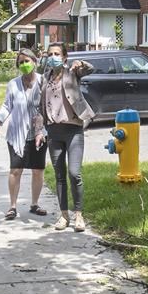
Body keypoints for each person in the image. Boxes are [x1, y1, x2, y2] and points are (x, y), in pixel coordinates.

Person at [35, 43, 94, 232]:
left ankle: (79, 215)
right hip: (54, 132)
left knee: (74, 173)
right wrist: (38, 131)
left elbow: (90, 69)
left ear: (65, 57)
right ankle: (64, 215)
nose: (53, 57)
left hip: (74, 130)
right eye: (50, 54)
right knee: (60, 176)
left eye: (57, 54)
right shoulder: (44, 79)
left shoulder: (72, 73)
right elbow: (39, 108)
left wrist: (81, 63)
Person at [0, 48, 48, 221]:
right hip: (17, 133)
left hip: (39, 132)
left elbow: (48, 105)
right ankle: (12, 206)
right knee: (16, 169)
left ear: (35, 62)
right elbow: (8, 105)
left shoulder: (43, 81)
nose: (24, 64)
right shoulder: (13, 84)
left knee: (38, 170)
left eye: (27, 61)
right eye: (21, 62)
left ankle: (34, 204)